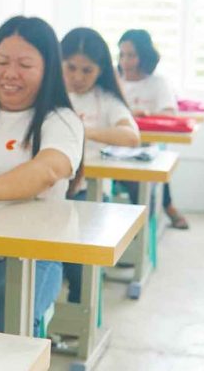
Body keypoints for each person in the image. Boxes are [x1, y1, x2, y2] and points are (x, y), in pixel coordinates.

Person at [0, 16, 84, 334]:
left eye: (25, 64)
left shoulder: (62, 120)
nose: (10, 74)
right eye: (2, 61)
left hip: (28, 258)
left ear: (47, 69)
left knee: (5, 306)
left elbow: (48, 169)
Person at [60, 27, 140, 303]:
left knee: (77, 254)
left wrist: (80, 130)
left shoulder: (105, 100)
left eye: (87, 70)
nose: (78, 77)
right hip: (54, 189)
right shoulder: (49, 94)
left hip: (86, 192)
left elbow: (131, 137)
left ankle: (78, 314)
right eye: (71, 67)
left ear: (101, 70)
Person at [118, 29, 189, 230]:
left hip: (144, 148)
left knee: (145, 169)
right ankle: (162, 211)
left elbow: (169, 114)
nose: (125, 61)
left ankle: (140, 233)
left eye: (131, 55)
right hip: (115, 147)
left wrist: (146, 114)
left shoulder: (158, 83)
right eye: (122, 55)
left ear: (144, 56)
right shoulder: (115, 80)